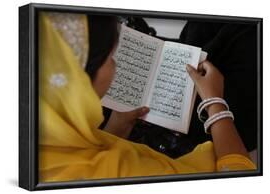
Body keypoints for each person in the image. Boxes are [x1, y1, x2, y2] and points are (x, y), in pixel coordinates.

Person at [39, 12, 255, 182]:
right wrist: (214, 101)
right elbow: (236, 175)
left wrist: (115, 131)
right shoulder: (125, 174)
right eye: (111, 56)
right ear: (81, 77)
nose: (117, 63)